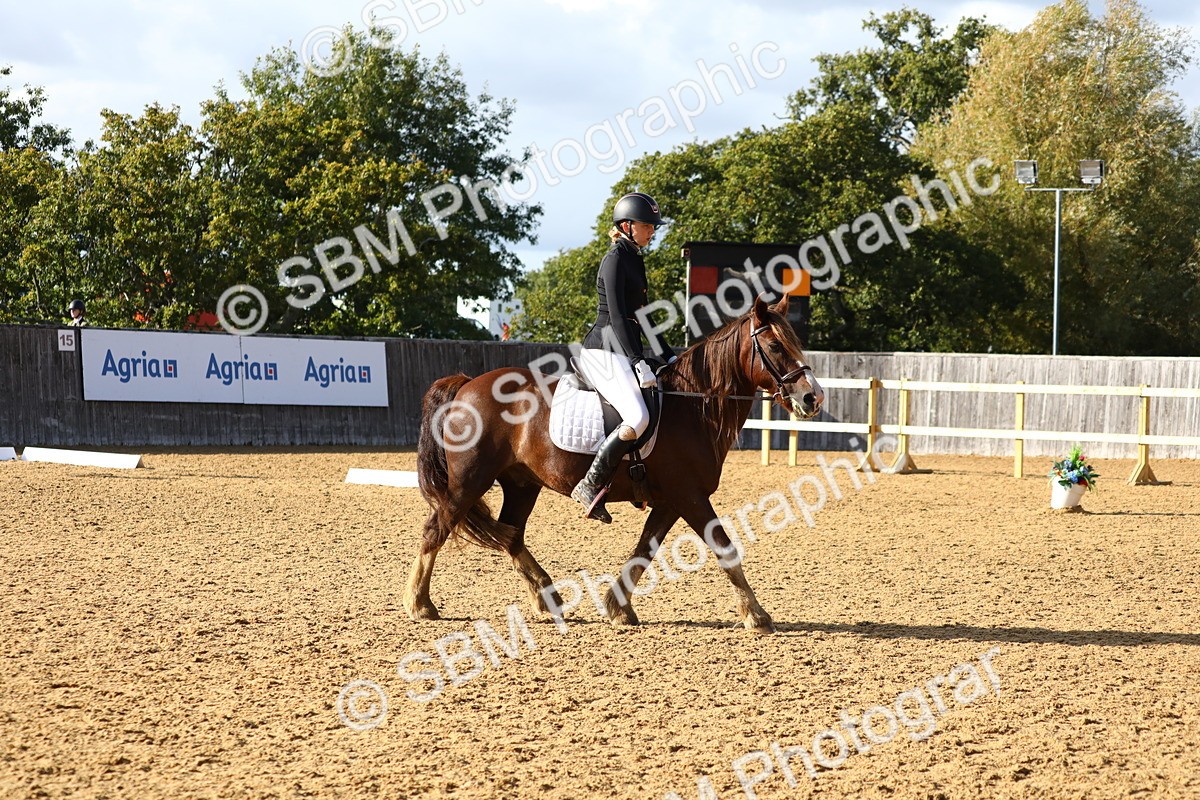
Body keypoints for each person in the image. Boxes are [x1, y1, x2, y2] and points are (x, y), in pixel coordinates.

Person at [570, 192, 676, 522]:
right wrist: (638, 360)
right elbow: (618, 317)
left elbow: (644, 315)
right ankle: (591, 483)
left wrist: (668, 356)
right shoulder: (615, 259)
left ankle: (636, 478)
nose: (653, 231)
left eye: (653, 226)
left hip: (624, 350)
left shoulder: (635, 258)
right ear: (628, 226)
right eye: (648, 226)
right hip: (602, 350)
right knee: (638, 417)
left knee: (658, 401)